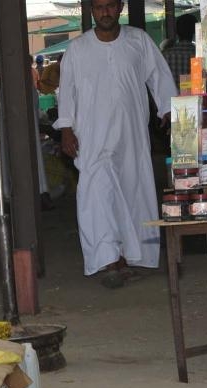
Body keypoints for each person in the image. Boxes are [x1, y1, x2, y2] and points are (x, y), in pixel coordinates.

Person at [55, 0, 176, 288]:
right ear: (92, 11)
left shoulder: (138, 40)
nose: (105, 12)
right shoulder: (78, 49)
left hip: (131, 135)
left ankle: (132, 255)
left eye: (110, 6)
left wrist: (168, 109)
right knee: (97, 192)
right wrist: (66, 129)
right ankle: (109, 259)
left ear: (120, 7)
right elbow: (67, 91)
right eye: (98, 7)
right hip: (92, 137)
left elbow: (159, 75)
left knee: (134, 190)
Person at [162, 14, 197, 89]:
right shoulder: (199, 55)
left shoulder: (164, 55)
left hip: (169, 100)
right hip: (194, 99)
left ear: (176, 31)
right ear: (196, 31)